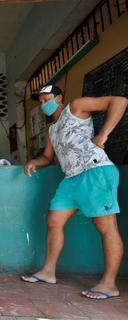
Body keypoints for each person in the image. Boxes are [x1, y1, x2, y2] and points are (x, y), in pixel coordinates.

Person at [21, 85, 128, 300]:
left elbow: (120, 101)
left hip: (95, 171)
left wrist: (103, 135)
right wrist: (35, 161)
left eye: (47, 99)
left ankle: (109, 284)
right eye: (40, 102)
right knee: (54, 220)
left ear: (59, 98)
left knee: (105, 226)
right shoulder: (52, 129)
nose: (43, 104)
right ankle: (48, 272)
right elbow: (48, 157)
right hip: (70, 178)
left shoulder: (76, 107)